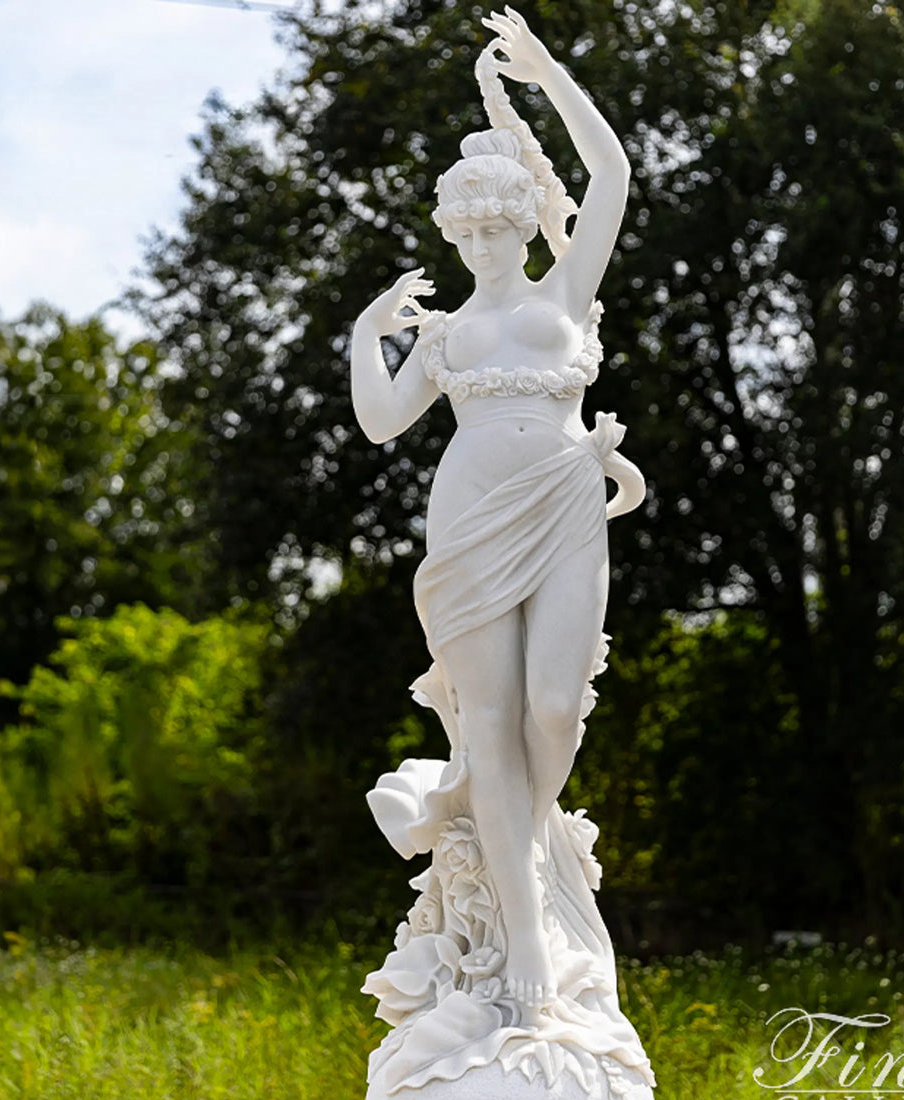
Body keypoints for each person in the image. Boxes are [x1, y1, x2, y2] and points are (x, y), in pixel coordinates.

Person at [351, 7, 643, 1015]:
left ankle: (507, 832)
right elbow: (385, 422)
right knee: (492, 715)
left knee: (552, 712)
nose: (478, 243)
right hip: (468, 527)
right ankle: (523, 937)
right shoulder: (444, 335)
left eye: (494, 225)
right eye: (463, 228)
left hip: (563, 506)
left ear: (523, 223)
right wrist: (364, 336)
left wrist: (547, 76)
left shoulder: (564, 296)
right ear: (449, 231)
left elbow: (609, 177)